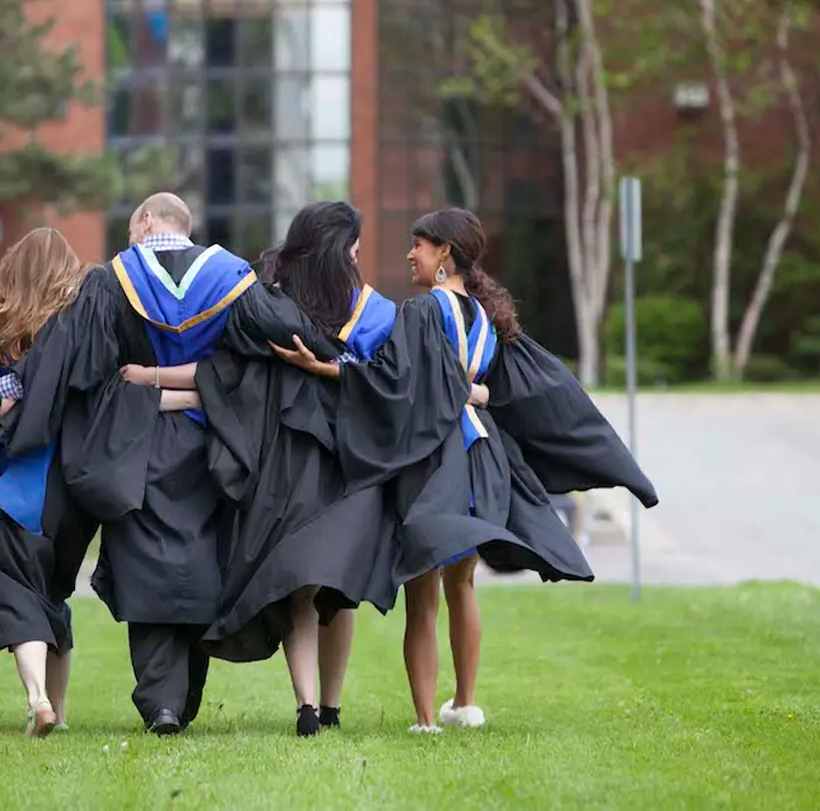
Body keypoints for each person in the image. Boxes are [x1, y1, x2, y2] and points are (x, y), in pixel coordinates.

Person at [273, 207, 656, 734]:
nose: (410, 254)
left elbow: (398, 383)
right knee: (463, 586)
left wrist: (328, 369)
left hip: (434, 456)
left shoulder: (422, 311)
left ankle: (427, 720)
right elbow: (487, 386)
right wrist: (475, 391)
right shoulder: (487, 316)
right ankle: (465, 704)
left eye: (420, 246)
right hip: (483, 455)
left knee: (423, 595)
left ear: (444, 254)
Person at [2, 192, 342, 735]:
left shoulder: (112, 280)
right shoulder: (230, 275)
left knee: (146, 566)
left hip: (136, 444)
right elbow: (286, 336)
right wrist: (332, 357)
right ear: (187, 227)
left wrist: (19, 395)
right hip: (214, 445)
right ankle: (180, 702)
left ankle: (162, 702)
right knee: (202, 565)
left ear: (143, 221)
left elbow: (77, 363)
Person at [166, 202, 481, 736]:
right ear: (337, 249)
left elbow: (232, 372)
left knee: (309, 585)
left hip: (313, 461)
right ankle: (319, 707)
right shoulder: (362, 311)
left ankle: (314, 706)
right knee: (329, 586)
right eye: (355, 249)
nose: (359, 259)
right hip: (341, 463)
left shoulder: (282, 305)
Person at [0, 228, 202, 737]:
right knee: (52, 595)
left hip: (19, 493)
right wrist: (196, 396)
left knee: (14, 592)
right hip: (75, 501)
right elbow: (120, 400)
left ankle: (37, 699)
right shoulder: (89, 334)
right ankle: (62, 710)